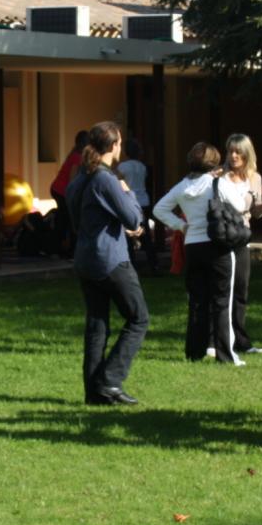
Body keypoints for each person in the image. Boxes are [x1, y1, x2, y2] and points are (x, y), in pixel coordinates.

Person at [64, 121, 149, 405]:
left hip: (85, 259)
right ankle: (110, 380)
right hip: (110, 259)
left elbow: (82, 220)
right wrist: (127, 192)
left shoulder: (79, 178)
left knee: (97, 325)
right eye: (120, 142)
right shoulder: (106, 179)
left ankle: (94, 392)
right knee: (138, 318)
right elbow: (134, 218)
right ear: (114, 146)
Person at [154, 142, 244, 365]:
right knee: (222, 301)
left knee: (197, 301)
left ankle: (194, 352)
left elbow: (159, 209)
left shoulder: (181, 186)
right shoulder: (217, 183)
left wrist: (181, 226)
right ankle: (226, 355)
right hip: (218, 244)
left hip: (193, 245)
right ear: (214, 162)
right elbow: (240, 205)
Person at [222, 134, 262, 354]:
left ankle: (241, 341)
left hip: (242, 237)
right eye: (230, 151)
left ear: (247, 154)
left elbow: (255, 212)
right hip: (221, 236)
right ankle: (215, 340)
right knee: (221, 290)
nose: (233, 156)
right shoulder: (219, 175)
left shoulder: (254, 178)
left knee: (240, 289)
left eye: (238, 152)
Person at [118, 138, 158, 275]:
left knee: (128, 233)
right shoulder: (142, 166)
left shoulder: (122, 167)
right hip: (144, 201)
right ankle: (153, 264)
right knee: (145, 234)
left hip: (130, 201)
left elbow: (119, 181)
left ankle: (132, 265)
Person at [50, 131, 89, 257]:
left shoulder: (75, 154)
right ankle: (65, 250)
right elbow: (72, 180)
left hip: (59, 190)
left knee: (64, 220)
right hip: (62, 191)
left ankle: (61, 249)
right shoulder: (77, 157)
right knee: (69, 220)